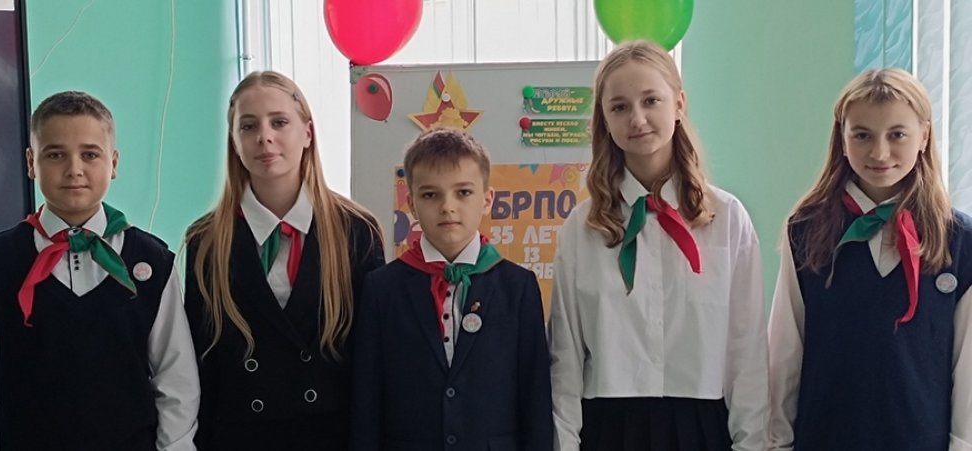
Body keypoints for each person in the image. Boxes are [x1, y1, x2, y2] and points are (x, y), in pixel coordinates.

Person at [548, 40, 769, 451]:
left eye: (651, 100)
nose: (638, 119)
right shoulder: (582, 228)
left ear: (679, 104)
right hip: (608, 430)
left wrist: (752, 444)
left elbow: (748, 353)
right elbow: (566, 356)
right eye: (619, 107)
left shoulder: (728, 219)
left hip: (703, 428)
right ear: (604, 120)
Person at [0, 91, 199, 449]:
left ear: (113, 163)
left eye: (90, 154)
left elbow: (177, 381)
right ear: (31, 162)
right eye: (55, 154)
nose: (74, 169)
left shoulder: (153, 263)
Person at [768, 68, 972, 451]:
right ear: (842, 139)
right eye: (862, 135)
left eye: (897, 135)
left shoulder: (961, 241)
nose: (879, 153)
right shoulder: (806, 230)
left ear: (924, 137)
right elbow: (785, 351)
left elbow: (968, 366)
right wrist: (776, 443)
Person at [184, 70, 384, 450]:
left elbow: (371, 360)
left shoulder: (356, 230)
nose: (264, 137)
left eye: (279, 122)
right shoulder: (205, 241)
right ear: (234, 142)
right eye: (248, 126)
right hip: (241, 438)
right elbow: (202, 363)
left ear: (307, 133)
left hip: (332, 437)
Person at [350, 128, 552, 451]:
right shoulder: (381, 288)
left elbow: (535, 397)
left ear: (487, 200)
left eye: (463, 192)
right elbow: (367, 400)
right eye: (430, 195)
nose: (448, 206)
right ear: (412, 204)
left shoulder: (519, 287)